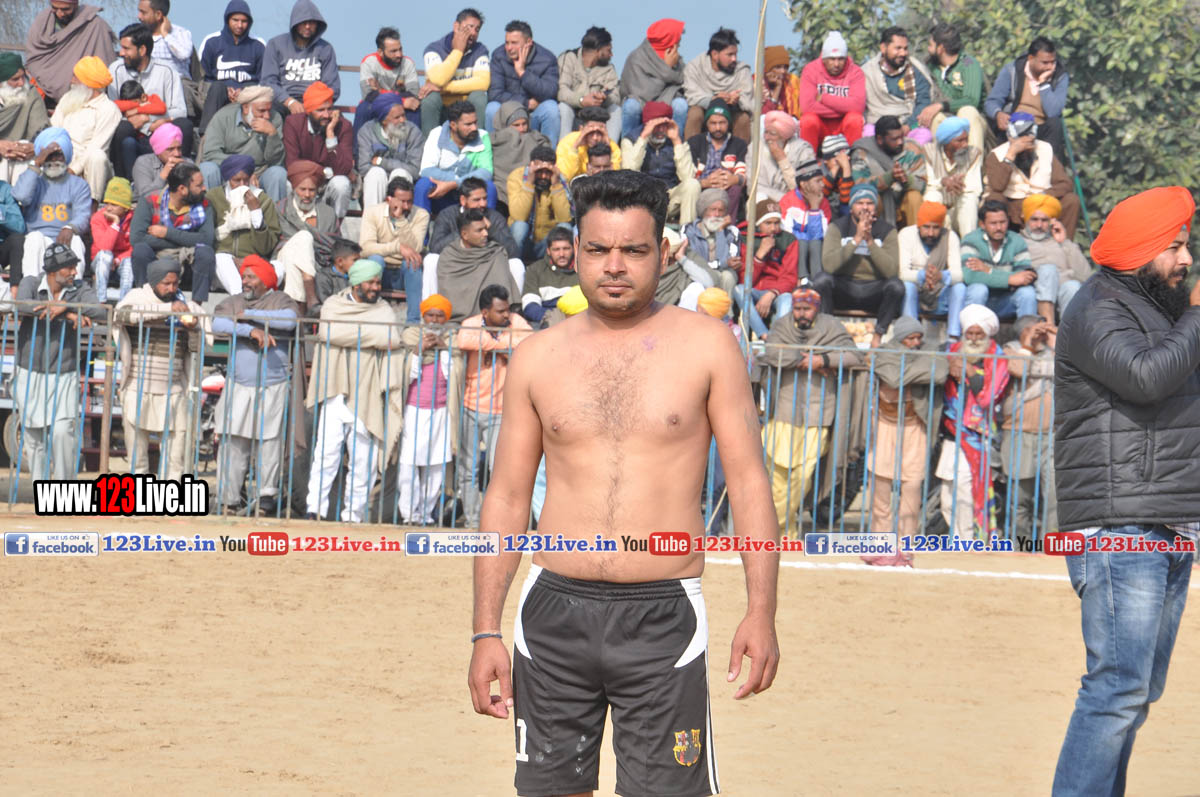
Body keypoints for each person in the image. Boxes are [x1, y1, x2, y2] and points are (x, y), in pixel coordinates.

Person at [467, 171, 779, 797]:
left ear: (662, 252)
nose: (615, 266)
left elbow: (749, 484)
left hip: (663, 616)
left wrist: (761, 611)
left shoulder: (709, 346)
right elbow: (506, 496)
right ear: (575, 251)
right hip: (551, 614)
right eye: (598, 249)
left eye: (634, 250)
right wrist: (485, 630)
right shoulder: (537, 356)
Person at [1051, 186, 1198, 797]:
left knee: (1138, 692)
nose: (1187, 258)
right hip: (1120, 527)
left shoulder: (1160, 309)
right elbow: (1145, 377)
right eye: (1175, 246)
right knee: (1117, 689)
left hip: (1168, 520)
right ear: (1141, 250)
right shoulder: (1097, 307)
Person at [305, 258, 403, 522]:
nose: (376, 287)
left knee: (363, 461)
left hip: (368, 392)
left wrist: (349, 334)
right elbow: (328, 333)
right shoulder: (334, 305)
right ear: (357, 283)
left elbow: (390, 338)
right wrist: (369, 336)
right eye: (371, 283)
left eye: (378, 282)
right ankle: (315, 509)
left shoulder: (383, 310)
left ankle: (354, 515)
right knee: (325, 455)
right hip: (335, 391)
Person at [763, 283, 860, 537]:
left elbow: (854, 356)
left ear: (816, 308)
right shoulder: (782, 326)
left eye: (807, 309)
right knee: (777, 477)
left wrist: (823, 360)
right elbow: (772, 353)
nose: (801, 314)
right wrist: (805, 360)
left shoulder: (831, 327)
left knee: (804, 476)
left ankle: (772, 527)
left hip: (819, 413)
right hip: (784, 411)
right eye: (798, 309)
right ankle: (782, 532)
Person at [211, 256, 300, 515]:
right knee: (232, 440)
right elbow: (218, 322)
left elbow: (289, 321)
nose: (245, 281)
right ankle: (229, 500)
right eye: (244, 276)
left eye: (251, 277)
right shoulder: (234, 300)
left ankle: (265, 499)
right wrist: (250, 331)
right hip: (239, 384)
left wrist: (249, 316)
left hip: (273, 384)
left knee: (269, 442)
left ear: (266, 279)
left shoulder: (281, 300)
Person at [12, 243, 106, 479]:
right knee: (34, 437)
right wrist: (69, 314)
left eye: (75, 266)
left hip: (65, 372)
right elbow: (21, 305)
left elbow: (101, 311)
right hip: (29, 371)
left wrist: (66, 307)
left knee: (63, 432)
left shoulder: (80, 288)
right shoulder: (32, 282)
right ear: (53, 271)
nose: (74, 271)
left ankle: (63, 490)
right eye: (69, 267)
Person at [862, 316, 948, 566]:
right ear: (899, 338)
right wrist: (919, 370)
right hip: (884, 425)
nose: (915, 342)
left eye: (918, 337)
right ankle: (880, 545)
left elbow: (940, 372)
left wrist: (906, 371)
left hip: (915, 426)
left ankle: (905, 548)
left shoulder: (930, 353)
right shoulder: (884, 353)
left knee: (912, 486)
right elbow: (892, 378)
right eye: (910, 338)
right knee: (880, 488)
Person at [112, 256, 203, 479]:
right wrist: (167, 310)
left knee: (175, 459)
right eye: (166, 283)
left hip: (174, 391)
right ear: (154, 282)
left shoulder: (186, 305)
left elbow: (196, 344)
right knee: (137, 458)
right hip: (137, 388)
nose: (172, 288)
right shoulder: (137, 297)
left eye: (175, 283)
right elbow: (121, 315)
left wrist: (191, 326)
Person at [454, 283, 531, 528]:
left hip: (501, 411)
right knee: (468, 469)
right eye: (500, 311)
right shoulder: (472, 323)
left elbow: (529, 340)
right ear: (485, 312)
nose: (506, 315)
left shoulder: (515, 322)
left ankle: (493, 522)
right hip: (470, 406)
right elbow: (463, 339)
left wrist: (491, 344)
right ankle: (473, 521)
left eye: (507, 309)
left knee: (497, 471)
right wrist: (504, 347)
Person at [936, 303, 1009, 539]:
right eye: (970, 334)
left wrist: (969, 371)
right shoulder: (952, 351)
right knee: (947, 493)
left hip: (978, 435)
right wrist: (948, 366)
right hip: (950, 432)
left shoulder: (997, 357)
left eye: (979, 334)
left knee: (967, 491)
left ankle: (970, 540)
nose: (974, 339)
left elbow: (989, 397)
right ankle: (956, 538)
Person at [392, 293, 463, 525]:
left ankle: (426, 514)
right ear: (423, 316)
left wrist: (444, 348)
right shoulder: (411, 336)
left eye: (439, 315)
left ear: (446, 318)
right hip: (414, 410)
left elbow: (454, 373)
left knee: (436, 464)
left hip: (441, 411)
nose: (434, 320)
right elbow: (406, 373)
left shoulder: (453, 339)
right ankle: (408, 513)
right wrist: (419, 350)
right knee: (409, 463)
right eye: (430, 315)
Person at [816, 182, 904, 346]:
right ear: (851, 207)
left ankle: (878, 336)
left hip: (874, 288)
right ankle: (827, 334)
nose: (865, 207)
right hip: (845, 286)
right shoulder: (837, 227)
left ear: (875, 208)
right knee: (821, 280)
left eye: (869, 203)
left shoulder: (887, 230)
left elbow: (891, 271)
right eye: (860, 203)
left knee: (896, 286)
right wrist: (856, 240)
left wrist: (869, 241)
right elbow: (828, 265)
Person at [107, 23, 191, 180]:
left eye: (126, 48)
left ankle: (181, 178)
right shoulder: (116, 69)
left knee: (184, 125)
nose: (121, 53)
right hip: (132, 132)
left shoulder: (166, 71)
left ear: (142, 50)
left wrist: (148, 120)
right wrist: (142, 124)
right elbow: (113, 110)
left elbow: (179, 110)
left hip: (162, 131)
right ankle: (123, 182)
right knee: (121, 128)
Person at [999, 314, 1057, 539]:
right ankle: (1020, 546)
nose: (1040, 334)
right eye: (1036, 329)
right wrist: (1028, 344)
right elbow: (1019, 370)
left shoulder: (1053, 352)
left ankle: (1050, 549)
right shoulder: (1010, 350)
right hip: (1019, 434)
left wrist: (1055, 340)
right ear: (1024, 331)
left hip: (1051, 436)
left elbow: (1069, 368)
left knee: (1053, 496)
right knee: (1019, 497)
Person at [129, 162, 217, 302]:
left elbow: (206, 239)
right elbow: (137, 238)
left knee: (206, 253)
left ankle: (197, 305)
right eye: (199, 185)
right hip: (158, 259)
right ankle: (146, 300)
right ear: (182, 189)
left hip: (188, 260)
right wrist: (186, 240)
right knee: (140, 250)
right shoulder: (149, 200)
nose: (204, 188)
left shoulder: (204, 204)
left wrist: (167, 233)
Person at [984, 112, 1080, 238]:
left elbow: (1065, 184)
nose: (1024, 145)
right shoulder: (997, 154)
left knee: (1071, 200)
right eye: (1020, 140)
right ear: (1010, 137)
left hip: (1043, 201)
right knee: (995, 198)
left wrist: (1044, 195)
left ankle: (1063, 244)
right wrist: (1011, 154)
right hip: (1015, 206)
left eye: (1028, 140)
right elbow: (997, 186)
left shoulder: (1045, 148)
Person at [13, 127, 90, 280]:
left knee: (76, 240)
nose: (54, 160)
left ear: (66, 155)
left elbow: (83, 215)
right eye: (49, 155)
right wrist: (36, 163)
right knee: (33, 239)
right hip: (39, 239)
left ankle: (75, 289)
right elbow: (21, 196)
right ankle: (31, 289)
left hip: (65, 238)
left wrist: (70, 227)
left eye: (58, 155)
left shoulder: (78, 184)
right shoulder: (34, 179)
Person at [961, 199, 1055, 320]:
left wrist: (987, 270)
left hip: (1006, 300)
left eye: (1003, 222)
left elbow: (1024, 277)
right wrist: (1009, 279)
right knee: (978, 289)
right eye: (993, 223)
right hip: (980, 300)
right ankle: (973, 329)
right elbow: (971, 277)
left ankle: (1028, 329)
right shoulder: (971, 240)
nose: (999, 227)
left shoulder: (1016, 241)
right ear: (982, 224)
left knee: (1027, 293)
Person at [199, 85, 289, 203]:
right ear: (246, 108)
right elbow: (211, 153)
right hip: (228, 172)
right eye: (261, 111)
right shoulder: (223, 117)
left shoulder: (275, 119)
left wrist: (272, 135)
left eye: (269, 110)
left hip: (259, 173)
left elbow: (276, 161)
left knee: (278, 173)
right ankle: (210, 211)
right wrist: (243, 170)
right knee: (207, 168)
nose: (267, 116)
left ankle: (276, 214)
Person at [207, 153, 282, 295]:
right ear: (228, 179)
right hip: (224, 266)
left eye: (246, 180)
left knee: (279, 267)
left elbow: (266, 247)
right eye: (236, 180)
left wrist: (256, 212)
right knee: (221, 258)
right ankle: (240, 296)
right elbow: (207, 237)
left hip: (254, 263)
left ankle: (254, 296)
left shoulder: (263, 200)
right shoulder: (213, 197)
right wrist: (233, 259)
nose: (242, 185)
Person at [359, 175, 428, 322]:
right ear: (389, 199)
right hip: (380, 271)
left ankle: (413, 323)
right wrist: (397, 247)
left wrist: (400, 219)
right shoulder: (372, 212)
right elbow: (365, 248)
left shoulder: (421, 215)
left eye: (409, 201)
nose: (406, 206)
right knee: (375, 259)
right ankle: (367, 317)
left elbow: (415, 248)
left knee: (413, 262)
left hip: (404, 272)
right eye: (402, 201)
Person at [431, 208, 520, 323]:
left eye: (486, 228)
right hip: (455, 323)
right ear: (465, 234)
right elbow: (449, 297)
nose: (486, 233)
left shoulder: (495, 253)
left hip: (492, 322)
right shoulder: (449, 257)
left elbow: (502, 296)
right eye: (479, 230)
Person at [985, 37, 1068, 159]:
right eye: (1045, 63)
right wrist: (998, 114)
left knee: (1055, 124)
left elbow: (1054, 111)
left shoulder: (1060, 76)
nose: (1050, 67)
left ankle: (1052, 166)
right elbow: (992, 101)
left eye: (1053, 62)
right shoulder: (1012, 71)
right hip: (1014, 125)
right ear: (1031, 58)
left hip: (1041, 128)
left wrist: (1043, 84)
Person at [51, 56, 120, 201]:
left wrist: (72, 169)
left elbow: (97, 146)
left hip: (89, 168)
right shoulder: (68, 99)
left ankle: (93, 204)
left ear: (88, 83)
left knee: (97, 155)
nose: (71, 81)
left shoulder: (108, 109)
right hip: (61, 159)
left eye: (76, 78)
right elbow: (53, 130)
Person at [282, 81, 352, 219]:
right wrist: (323, 172)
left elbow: (344, 169)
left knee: (341, 183)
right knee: (287, 184)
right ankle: (293, 224)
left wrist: (330, 134)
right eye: (320, 110)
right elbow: (292, 164)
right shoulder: (293, 123)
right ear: (308, 111)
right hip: (303, 182)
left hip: (327, 185)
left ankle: (334, 228)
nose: (326, 115)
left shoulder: (343, 126)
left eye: (329, 109)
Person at [24, 0, 117, 103]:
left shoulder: (95, 26)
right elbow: (34, 56)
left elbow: (104, 65)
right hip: (41, 94)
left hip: (81, 98)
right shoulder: (42, 21)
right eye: (55, 8)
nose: (60, 13)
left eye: (65, 9)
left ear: (75, 5)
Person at [274, 158, 336, 311]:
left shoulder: (327, 213)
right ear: (294, 188)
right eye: (302, 189)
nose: (307, 195)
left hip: (318, 260)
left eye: (312, 190)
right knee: (304, 237)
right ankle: (311, 297)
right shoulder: (280, 209)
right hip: (282, 257)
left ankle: (296, 312)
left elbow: (333, 245)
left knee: (296, 259)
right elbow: (282, 239)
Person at [485, 21, 559, 146]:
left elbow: (550, 92)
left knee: (551, 108)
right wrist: (526, 103)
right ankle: (492, 152)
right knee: (492, 108)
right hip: (508, 116)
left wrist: (522, 72)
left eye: (514, 43)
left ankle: (548, 154)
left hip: (532, 117)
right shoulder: (498, 56)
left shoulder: (547, 58)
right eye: (507, 42)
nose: (509, 48)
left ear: (528, 42)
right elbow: (495, 94)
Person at [898, 200, 966, 338]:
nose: (930, 233)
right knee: (907, 287)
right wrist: (924, 275)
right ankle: (910, 337)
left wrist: (941, 276)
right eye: (926, 227)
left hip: (940, 295)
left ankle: (953, 338)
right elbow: (902, 273)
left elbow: (959, 275)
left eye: (935, 228)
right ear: (918, 225)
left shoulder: (950, 237)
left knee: (960, 288)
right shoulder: (906, 235)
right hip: (916, 295)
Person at [625, 102, 699, 225]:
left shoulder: (675, 138)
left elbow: (688, 177)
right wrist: (643, 138)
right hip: (643, 199)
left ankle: (687, 231)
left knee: (692, 184)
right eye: (656, 126)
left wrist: (676, 141)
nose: (660, 130)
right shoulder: (631, 140)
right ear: (647, 124)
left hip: (669, 197)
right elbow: (629, 172)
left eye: (664, 125)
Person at [733, 198, 798, 339]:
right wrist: (759, 256)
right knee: (739, 290)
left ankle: (778, 339)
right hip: (753, 289)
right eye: (768, 223)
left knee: (787, 298)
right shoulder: (745, 238)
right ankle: (764, 336)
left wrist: (772, 293)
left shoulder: (788, 240)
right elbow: (744, 279)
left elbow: (789, 276)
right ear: (758, 223)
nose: (773, 228)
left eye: (776, 223)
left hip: (776, 292)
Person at [416, 100, 494, 216]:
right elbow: (426, 170)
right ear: (453, 125)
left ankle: (487, 225)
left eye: (475, 122)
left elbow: (486, 172)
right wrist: (452, 181)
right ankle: (420, 227)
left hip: (469, 195)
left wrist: (455, 183)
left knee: (489, 187)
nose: (474, 128)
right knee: (423, 184)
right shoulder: (437, 134)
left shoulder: (482, 136)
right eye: (468, 124)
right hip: (441, 194)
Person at [262, 0, 340, 116]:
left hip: (316, 103)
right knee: (271, 115)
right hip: (283, 102)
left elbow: (333, 87)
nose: (307, 26)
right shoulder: (275, 44)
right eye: (303, 22)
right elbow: (268, 82)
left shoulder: (325, 48)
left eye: (311, 23)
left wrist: (312, 103)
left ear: (317, 24)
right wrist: (289, 101)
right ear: (295, 23)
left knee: (342, 122)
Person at [198, 1, 265, 134]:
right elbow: (204, 77)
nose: (240, 25)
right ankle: (206, 135)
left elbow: (263, 79)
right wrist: (226, 89)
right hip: (218, 93)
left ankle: (254, 136)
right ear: (227, 19)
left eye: (244, 21)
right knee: (217, 87)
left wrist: (243, 91)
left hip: (247, 95)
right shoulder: (211, 41)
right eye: (235, 20)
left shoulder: (258, 45)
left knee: (253, 88)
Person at [421, 9, 491, 135]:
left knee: (480, 96)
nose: (473, 33)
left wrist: (443, 88)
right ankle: (428, 143)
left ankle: (478, 142)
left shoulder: (480, 50)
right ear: (456, 26)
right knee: (430, 98)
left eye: (477, 30)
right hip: (442, 106)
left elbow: (483, 83)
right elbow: (438, 79)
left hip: (466, 107)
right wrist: (458, 51)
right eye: (469, 27)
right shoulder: (434, 49)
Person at [850, 114, 926, 228]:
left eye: (901, 137)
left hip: (903, 204)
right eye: (894, 139)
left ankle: (915, 236)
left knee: (914, 197)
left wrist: (906, 179)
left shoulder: (912, 149)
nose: (900, 142)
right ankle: (872, 236)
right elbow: (860, 187)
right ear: (880, 139)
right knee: (869, 199)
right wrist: (889, 178)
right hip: (880, 207)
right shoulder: (862, 152)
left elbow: (922, 185)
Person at [798, 31, 866, 156]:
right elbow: (807, 107)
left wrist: (824, 98)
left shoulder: (856, 72)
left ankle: (855, 161)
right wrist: (844, 106)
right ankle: (807, 161)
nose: (836, 64)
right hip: (821, 125)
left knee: (855, 119)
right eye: (832, 59)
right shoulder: (810, 70)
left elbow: (858, 107)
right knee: (808, 120)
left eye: (841, 59)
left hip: (844, 125)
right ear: (824, 58)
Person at [1021, 194, 1091, 313]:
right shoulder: (1018, 241)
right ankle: (1048, 320)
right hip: (1035, 289)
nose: (1039, 225)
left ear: (1052, 222)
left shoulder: (1062, 243)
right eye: (1034, 219)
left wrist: (1064, 242)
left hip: (1062, 290)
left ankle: (1067, 325)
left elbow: (1085, 276)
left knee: (1072, 286)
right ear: (1026, 220)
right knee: (1048, 270)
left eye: (1044, 220)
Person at [619, 18, 688, 140]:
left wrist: (669, 68)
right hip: (641, 101)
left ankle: (676, 144)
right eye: (678, 39)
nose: (679, 43)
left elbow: (682, 81)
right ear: (668, 39)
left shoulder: (674, 57)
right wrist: (667, 68)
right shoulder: (636, 57)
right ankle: (628, 145)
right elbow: (644, 93)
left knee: (680, 105)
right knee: (631, 107)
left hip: (667, 99)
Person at [356, 91, 426, 209]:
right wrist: (384, 175)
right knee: (376, 174)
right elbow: (363, 168)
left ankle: (400, 217)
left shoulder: (413, 132)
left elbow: (415, 170)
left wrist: (382, 162)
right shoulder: (366, 131)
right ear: (383, 120)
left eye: (403, 115)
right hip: (376, 185)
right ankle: (372, 219)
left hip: (404, 186)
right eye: (397, 117)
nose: (403, 120)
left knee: (400, 173)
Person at [861, 26, 939, 133]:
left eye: (905, 48)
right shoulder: (868, 72)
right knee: (868, 133)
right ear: (883, 48)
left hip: (908, 123)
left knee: (924, 134)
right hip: (877, 124)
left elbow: (923, 102)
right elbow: (860, 105)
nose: (903, 53)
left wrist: (907, 126)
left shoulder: (915, 69)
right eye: (898, 48)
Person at [682, 28, 752, 141]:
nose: (734, 59)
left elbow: (748, 100)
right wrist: (715, 99)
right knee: (695, 113)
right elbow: (692, 96)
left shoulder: (742, 70)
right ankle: (691, 151)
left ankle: (740, 152)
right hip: (705, 111)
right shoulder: (694, 67)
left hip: (731, 112)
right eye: (730, 55)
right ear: (715, 54)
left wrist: (735, 101)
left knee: (743, 118)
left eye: (735, 54)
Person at [925, 23, 986, 152]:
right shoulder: (929, 66)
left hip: (975, 120)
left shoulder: (968, 63)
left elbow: (972, 100)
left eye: (930, 45)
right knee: (936, 118)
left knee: (967, 111)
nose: (928, 49)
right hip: (946, 118)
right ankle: (941, 163)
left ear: (940, 48)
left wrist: (941, 105)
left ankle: (973, 161)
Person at [556, 26, 622, 144]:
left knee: (616, 110)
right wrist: (581, 100)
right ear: (598, 51)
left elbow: (616, 96)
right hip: (574, 116)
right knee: (564, 108)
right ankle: (563, 149)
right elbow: (562, 91)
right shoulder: (569, 58)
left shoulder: (609, 69)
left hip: (597, 118)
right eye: (608, 50)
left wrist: (604, 98)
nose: (611, 55)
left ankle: (610, 149)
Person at [426, 176, 517, 258]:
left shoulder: (495, 217)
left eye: (485, 198)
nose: (483, 204)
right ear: (463, 200)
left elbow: (513, 252)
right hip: (455, 262)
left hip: (486, 261)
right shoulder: (447, 215)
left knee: (516, 263)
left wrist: (491, 229)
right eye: (477, 200)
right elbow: (435, 249)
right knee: (431, 259)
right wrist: (465, 231)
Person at [506, 144, 570, 261]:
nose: (544, 176)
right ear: (531, 166)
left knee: (565, 227)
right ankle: (515, 266)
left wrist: (556, 185)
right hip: (524, 241)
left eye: (547, 172)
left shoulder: (560, 179)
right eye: (539, 171)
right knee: (520, 226)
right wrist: (529, 183)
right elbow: (518, 216)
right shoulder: (516, 177)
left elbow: (564, 218)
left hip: (547, 243)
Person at [922, 116, 982, 237]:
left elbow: (974, 187)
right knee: (932, 195)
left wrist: (957, 184)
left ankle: (968, 241)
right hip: (941, 209)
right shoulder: (929, 151)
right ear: (947, 142)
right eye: (959, 141)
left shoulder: (973, 153)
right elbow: (929, 183)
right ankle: (933, 237)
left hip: (960, 210)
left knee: (969, 199)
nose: (965, 144)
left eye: (966, 139)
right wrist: (943, 181)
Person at [686, 98, 747, 214]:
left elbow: (743, 175)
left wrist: (733, 179)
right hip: (702, 189)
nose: (718, 128)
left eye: (722, 123)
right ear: (707, 124)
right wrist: (705, 182)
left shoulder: (739, 144)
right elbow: (687, 176)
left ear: (728, 123)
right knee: (692, 188)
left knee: (736, 188)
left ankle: (727, 224)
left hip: (726, 191)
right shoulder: (695, 142)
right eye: (713, 123)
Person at [356, 26, 420, 134]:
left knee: (415, 107)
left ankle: (414, 144)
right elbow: (369, 94)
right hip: (380, 104)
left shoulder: (408, 63)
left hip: (401, 106)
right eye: (393, 51)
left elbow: (413, 93)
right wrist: (402, 101)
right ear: (380, 52)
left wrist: (380, 92)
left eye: (400, 49)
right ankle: (358, 145)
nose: (399, 54)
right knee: (364, 108)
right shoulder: (369, 62)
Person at [0, 54, 51, 186]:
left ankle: (19, 197)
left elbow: (42, 131)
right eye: (15, 79)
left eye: (23, 76)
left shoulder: (31, 93)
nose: (22, 83)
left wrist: (34, 147)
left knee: (23, 153)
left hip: (22, 157)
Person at [778, 158, 831, 279]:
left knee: (815, 243)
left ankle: (817, 280)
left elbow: (820, 235)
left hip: (815, 247)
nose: (822, 185)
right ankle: (801, 278)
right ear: (803, 184)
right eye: (818, 181)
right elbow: (787, 234)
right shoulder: (788, 201)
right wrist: (805, 238)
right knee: (801, 243)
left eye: (822, 180)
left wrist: (814, 208)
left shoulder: (823, 203)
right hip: (793, 249)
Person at [683, 187, 740, 296]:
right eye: (713, 209)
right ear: (704, 211)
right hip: (699, 272)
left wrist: (721, 231)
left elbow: (731, 261)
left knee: (728, 276)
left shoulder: (731, 232)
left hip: (722, 272)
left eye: (721, 210)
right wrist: (723, 263)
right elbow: (695, 261)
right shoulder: (689, 230)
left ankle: (724, 307)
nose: (717, 214)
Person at [489, 102, 548, 205]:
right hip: (502, 198)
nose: (521, 129)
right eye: (516, 125)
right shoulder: (494, 142)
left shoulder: (537, 139)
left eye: (524, 124)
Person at [518, 226, 578, 324]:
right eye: (556, 249)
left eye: (566, 249)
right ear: (548, 251)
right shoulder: (535, 270)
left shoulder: (582, 270)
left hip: (578, 321)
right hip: (545, 321)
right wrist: (554, 318)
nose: (561, 254)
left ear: (573, 249)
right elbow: (530, 306)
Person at [90, 176, 134, 302]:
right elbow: (104, 247)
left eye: (114, 205)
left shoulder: (134, 219)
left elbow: (135, 246)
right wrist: (115, 224)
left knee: (129, 262)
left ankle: (124, 305)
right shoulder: (98, 218)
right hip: (100, 263)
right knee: (105, 256)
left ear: (125, 207)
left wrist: (118, 259)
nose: (108, 208)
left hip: (121, 262)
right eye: (107, 203)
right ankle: (101, 301)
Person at [757, 110, 815, 203]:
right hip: (767, 201)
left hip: (797, 203)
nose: (766, 137)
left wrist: (782, 160)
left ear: (784, 137)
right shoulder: (760, 148)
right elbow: (757, 186)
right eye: (765, 132)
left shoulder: (804, 151)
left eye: (772, 134)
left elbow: (804, 190)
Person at [554, 106, 620, 182]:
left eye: (599, 133)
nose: (595, 138)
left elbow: (615, 178)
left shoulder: (612, 145)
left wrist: (608, 148)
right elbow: (566, 177)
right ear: (581, 129)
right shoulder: (567, 142)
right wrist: (575, 147)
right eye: (591, 132)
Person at [131, 121, 190, 202]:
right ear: (158, 151)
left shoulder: (187, 163)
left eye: (179, 148)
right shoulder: (143, 163)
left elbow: (196, 192)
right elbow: (145, 196)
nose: (177, 154)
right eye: (170, 149)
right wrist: (163, 175)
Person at [137, 0, 192, 84]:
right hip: (149, 85)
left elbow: (183, 54)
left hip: (178, 84)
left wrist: (165, 34)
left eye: (143, 13)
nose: (139, 16)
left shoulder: (179, 33)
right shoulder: (139, 36)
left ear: (158, 14)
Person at [313, 237, 359, 307]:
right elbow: (325, 302)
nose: (359, 263)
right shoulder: (323, 277)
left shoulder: (358, 276)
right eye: (355, 260)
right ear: (340, 261)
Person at [760, 45, 802, 119]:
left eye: (785, 67)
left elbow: (796, 115)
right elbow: (764, 116)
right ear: (768, 69)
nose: (783, 71)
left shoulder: (792, 80)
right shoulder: (757, 82)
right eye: (778, 67)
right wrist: (777, 88)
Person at [0, 178, 25, 297]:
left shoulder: (5, 189)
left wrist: (1, 212)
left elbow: (20, 227)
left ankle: (15, 292)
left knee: (17, 239)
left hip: (2, 248)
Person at [818, 134, 854, 215]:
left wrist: (846, 168)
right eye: (838, 159)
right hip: (824, 210)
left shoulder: (849, 167)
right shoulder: (818, 170)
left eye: (846, 156)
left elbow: (846, 200)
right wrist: (835, 168)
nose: (844, 161)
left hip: (841, 210)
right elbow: (819, 196)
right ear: (826, 160)